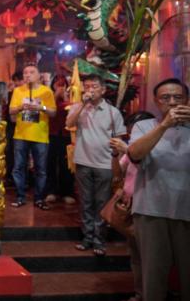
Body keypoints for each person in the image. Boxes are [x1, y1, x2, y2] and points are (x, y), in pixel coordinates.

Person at [127, 78, 190, 301]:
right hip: (151, 210)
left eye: (178, 97)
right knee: (153, 276)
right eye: (165, 98)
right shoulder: (145, 126)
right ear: (156, 101)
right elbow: (135, 154)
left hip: (186, 210)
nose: (172, 102)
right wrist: (164, 125)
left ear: (187, 100)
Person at [66, 74, 126, 257]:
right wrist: (83, 105)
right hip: (83, 161)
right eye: (87, 87)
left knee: (101, 202)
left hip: (105, 164)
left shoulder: (112, 112)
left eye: (94, 87)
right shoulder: (78, 107)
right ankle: (87, 238)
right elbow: (69, 124)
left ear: (103, 90)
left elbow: (120, 139)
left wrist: (118, 165)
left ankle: (100, 240)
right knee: (85, 202)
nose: (90, 90)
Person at [112, 111, 155, 301]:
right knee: (136, 255)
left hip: (149, 206)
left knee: (151, 257)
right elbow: (117, 174)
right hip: (130, 205)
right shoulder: (131, 148)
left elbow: (146, 165)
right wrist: (116, 154)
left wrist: (129, 149)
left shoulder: (151, 146)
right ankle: (140, 293)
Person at [9, 63, 56, 209]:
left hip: (40, 135)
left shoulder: (46, 92)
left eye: (31, 72)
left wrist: (40, 107)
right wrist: (20, 107)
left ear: (38, 75)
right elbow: (11, 111)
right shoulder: (18, 91)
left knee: (40, 169)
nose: (27, 75)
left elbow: (53, 112)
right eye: (25, 73)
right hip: (21, 134)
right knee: (18, 167)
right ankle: (20, 196)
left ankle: (39, 198)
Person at [45, 75, 75, 204]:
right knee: (50, 163)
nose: (60, 86)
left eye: (63, 84)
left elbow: (72, 112)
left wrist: (65, 97)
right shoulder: (48, 96)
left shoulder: (72, 97)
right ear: (52, 84)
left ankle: (67, 192)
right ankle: (51, 191)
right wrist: (56, 96)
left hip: (67, 135)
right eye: (57, 83)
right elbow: (48, 112)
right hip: (50, 134)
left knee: (66, 164)